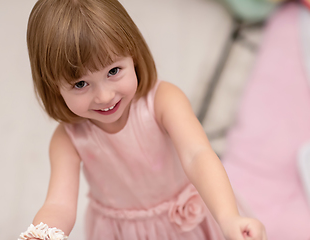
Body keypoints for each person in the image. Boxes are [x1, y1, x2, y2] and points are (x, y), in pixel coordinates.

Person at [18, 0, 267, 239]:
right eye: (81, 84)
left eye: (113, 71)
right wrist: (41, 235)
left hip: (191, 222)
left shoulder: (163, 101)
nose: (104, 96)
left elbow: (197, 155)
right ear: (54, 88)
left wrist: (228, 217)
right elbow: (59, 205)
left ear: (133, 56)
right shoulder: (68, 139)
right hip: (122, 233)